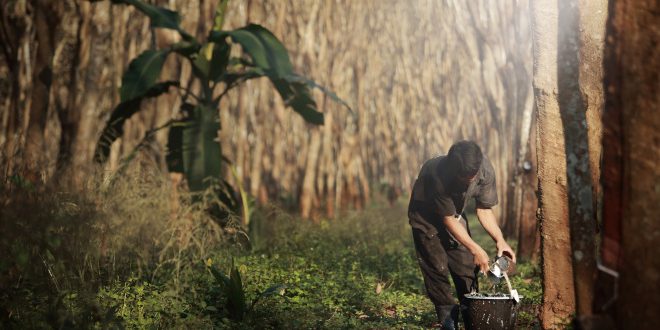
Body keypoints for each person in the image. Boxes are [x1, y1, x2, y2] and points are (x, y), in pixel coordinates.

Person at [408, 140, 516, 329]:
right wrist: (476, 248)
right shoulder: (437, 174)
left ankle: (472, 316)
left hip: (454, 215)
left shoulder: (485, 169)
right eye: (464, 177)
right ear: (453, 168)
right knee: (437, 267)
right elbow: (446, 219)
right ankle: (447, 319)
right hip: (425, 218)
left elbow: (483, 209)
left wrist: (500, 240)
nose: (470, 180)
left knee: (466, 266)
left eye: (473, 176)